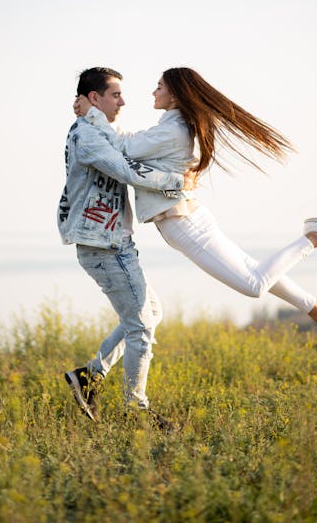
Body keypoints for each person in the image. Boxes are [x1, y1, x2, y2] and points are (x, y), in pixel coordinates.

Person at [74, 66, 317, 354]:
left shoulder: (172, 130)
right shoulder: (170, 126)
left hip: (185, 224)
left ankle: (314, 236)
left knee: (254, 284)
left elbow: (124, 148)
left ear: (176, 95)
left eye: (160, 87)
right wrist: (97, 115)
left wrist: (92, 114)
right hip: (189, 218)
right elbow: (130, 143)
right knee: (255, 271)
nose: (154, 91)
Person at [58, 66, 189, 426]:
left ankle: (88, 377)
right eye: (115, 94)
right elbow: (126, 168)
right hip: (103, 245)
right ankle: (136, 411)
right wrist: (177, 180)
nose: (124, 101)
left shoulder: (97, 128)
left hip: (113, 241)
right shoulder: (87, 136)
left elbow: (124, 144)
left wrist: (94, 114)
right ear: (94, 98)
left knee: (150, 315)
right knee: (141, 329)